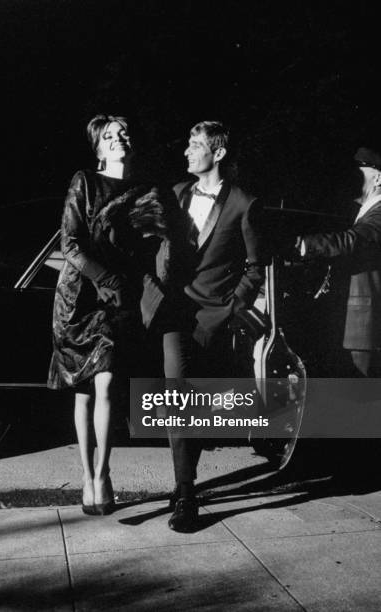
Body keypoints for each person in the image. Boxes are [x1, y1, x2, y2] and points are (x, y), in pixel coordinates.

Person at [48, 114, 187, 515]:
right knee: (83, 389)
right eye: (108, 136)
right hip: (79, 298)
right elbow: (70, 243)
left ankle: (104, 473)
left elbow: (159, 246)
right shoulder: (85, 182)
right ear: (98, 146)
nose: (118, 139)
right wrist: (106, 278)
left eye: (123, 133)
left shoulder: (147, 190)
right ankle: (86, 478)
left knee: (107, 384)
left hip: (120, 300)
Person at [166, 121, 267, 531]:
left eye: (196, 145)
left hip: (213, 316)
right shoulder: (175, 195)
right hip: (173, 313)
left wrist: (230, 306)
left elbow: (256, 266)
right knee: (176, 397)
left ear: (218, 153)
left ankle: (185, 483)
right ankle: (185, 492)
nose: (188, 151)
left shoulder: (244, 203)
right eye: (188, 143)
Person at [298, 146, 381, 377]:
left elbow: (351, 241)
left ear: (378, 177)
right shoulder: (363, 210)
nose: (351, 177)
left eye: (359, 170)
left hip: (364, 329)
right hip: (352, 325)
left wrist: (303, 245)